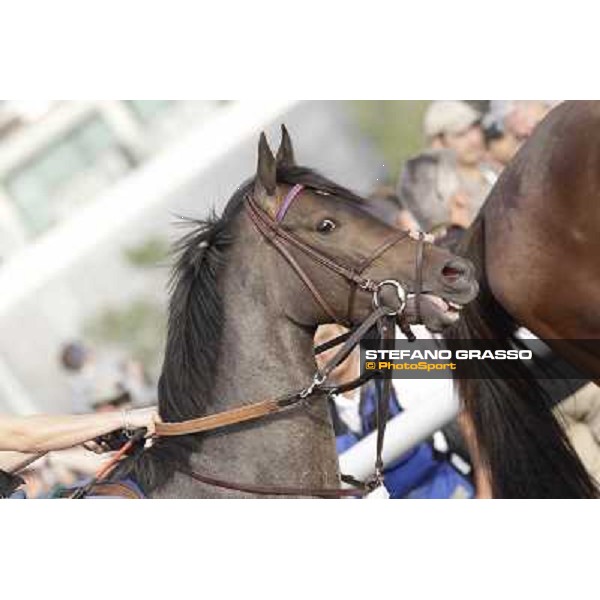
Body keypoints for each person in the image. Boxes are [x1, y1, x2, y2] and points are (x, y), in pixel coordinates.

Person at [398, 101, 496, 231]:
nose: (474, 140)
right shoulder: (433, 188)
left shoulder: (497, 169)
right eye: (460, 134)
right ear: (438, 143)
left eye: (475, 128)